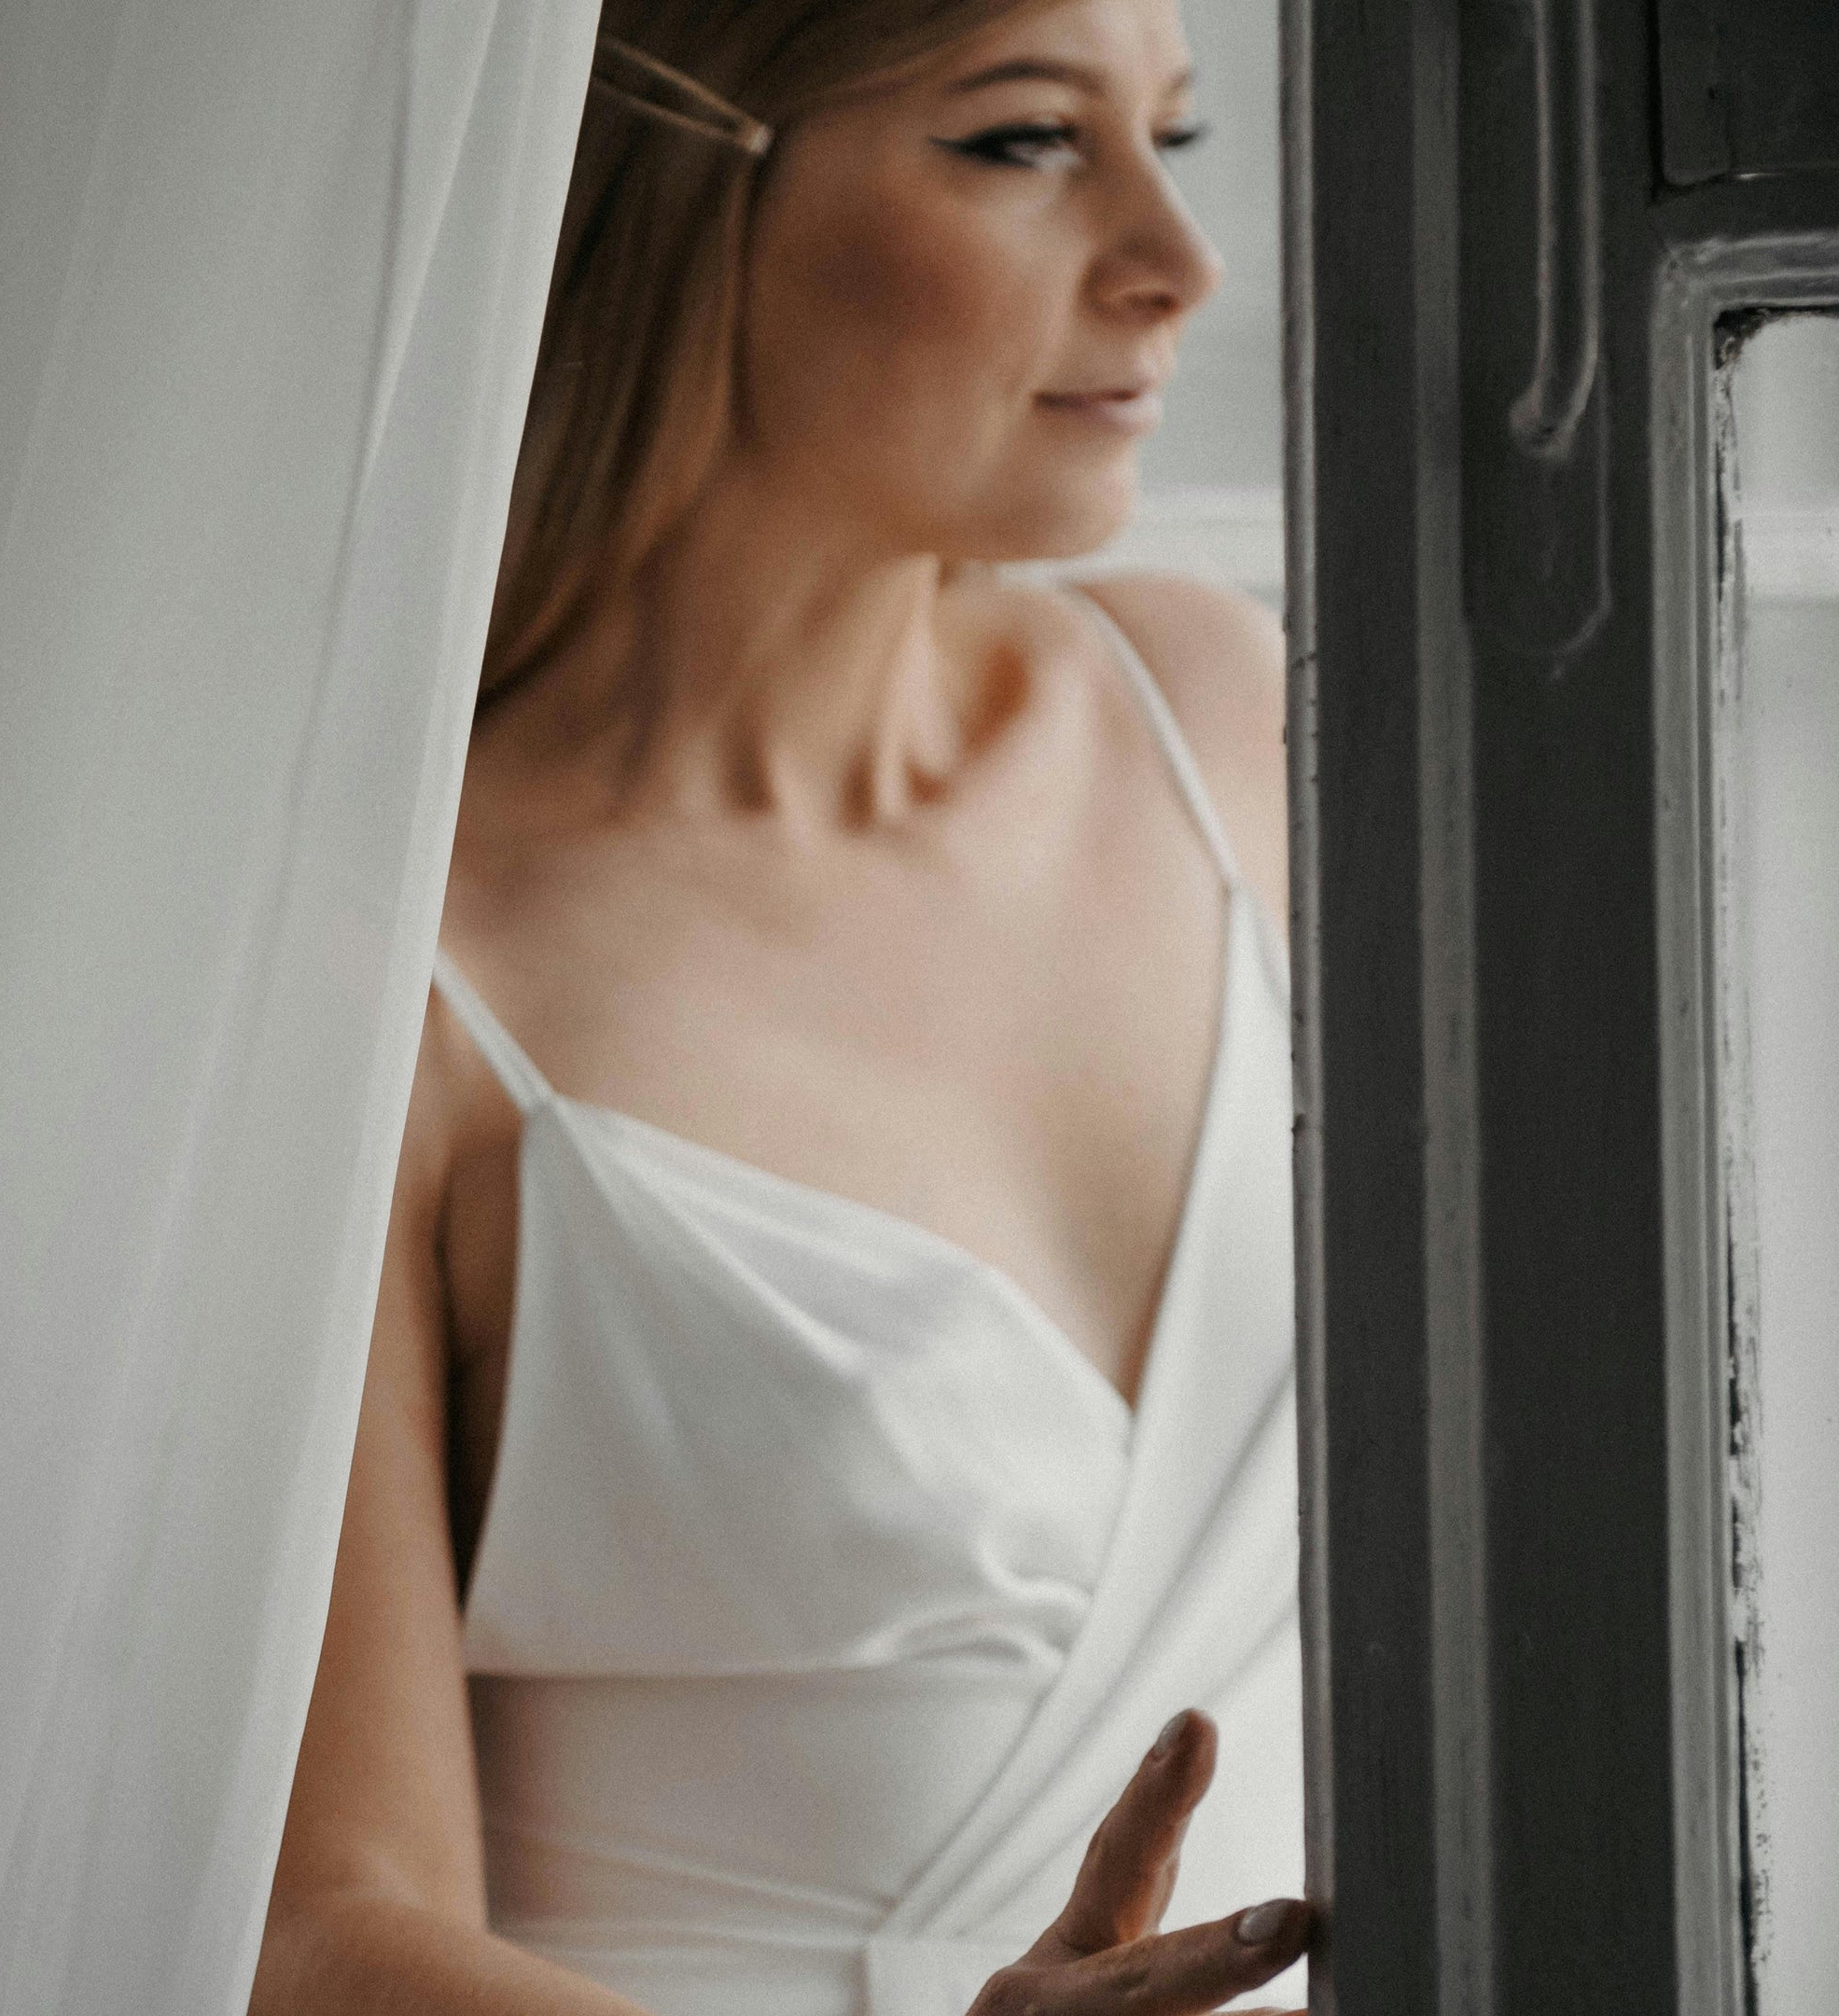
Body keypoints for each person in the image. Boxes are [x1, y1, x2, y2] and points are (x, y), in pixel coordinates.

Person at [250, 2, 1311, 2013]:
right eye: (1023, 142)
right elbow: (316, 1933)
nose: (1179, 256)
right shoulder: (377, 967)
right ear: (666, 186)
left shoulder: (1224, 716)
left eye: (1172, 134)